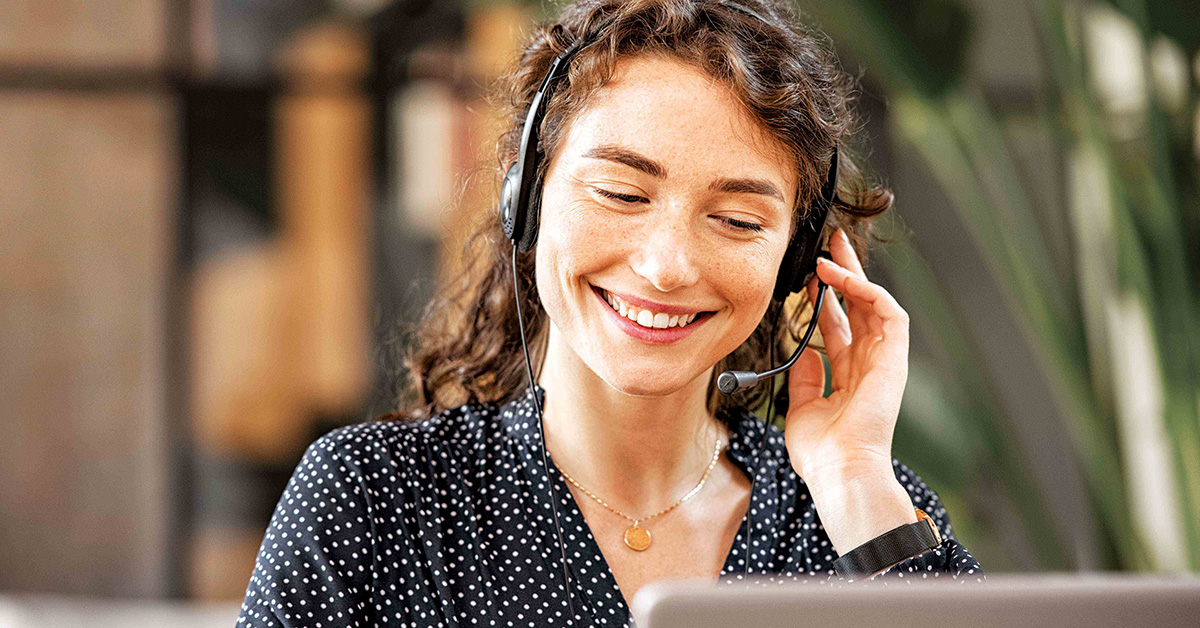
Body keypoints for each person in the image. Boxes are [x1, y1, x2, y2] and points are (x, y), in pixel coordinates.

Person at [236, 0, 984, 626]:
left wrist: (854, 479)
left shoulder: (858, 517)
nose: (666, 267)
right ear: (525, 198)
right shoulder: (376, 502)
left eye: (737, 220)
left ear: (794, 259)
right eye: (622, 194)